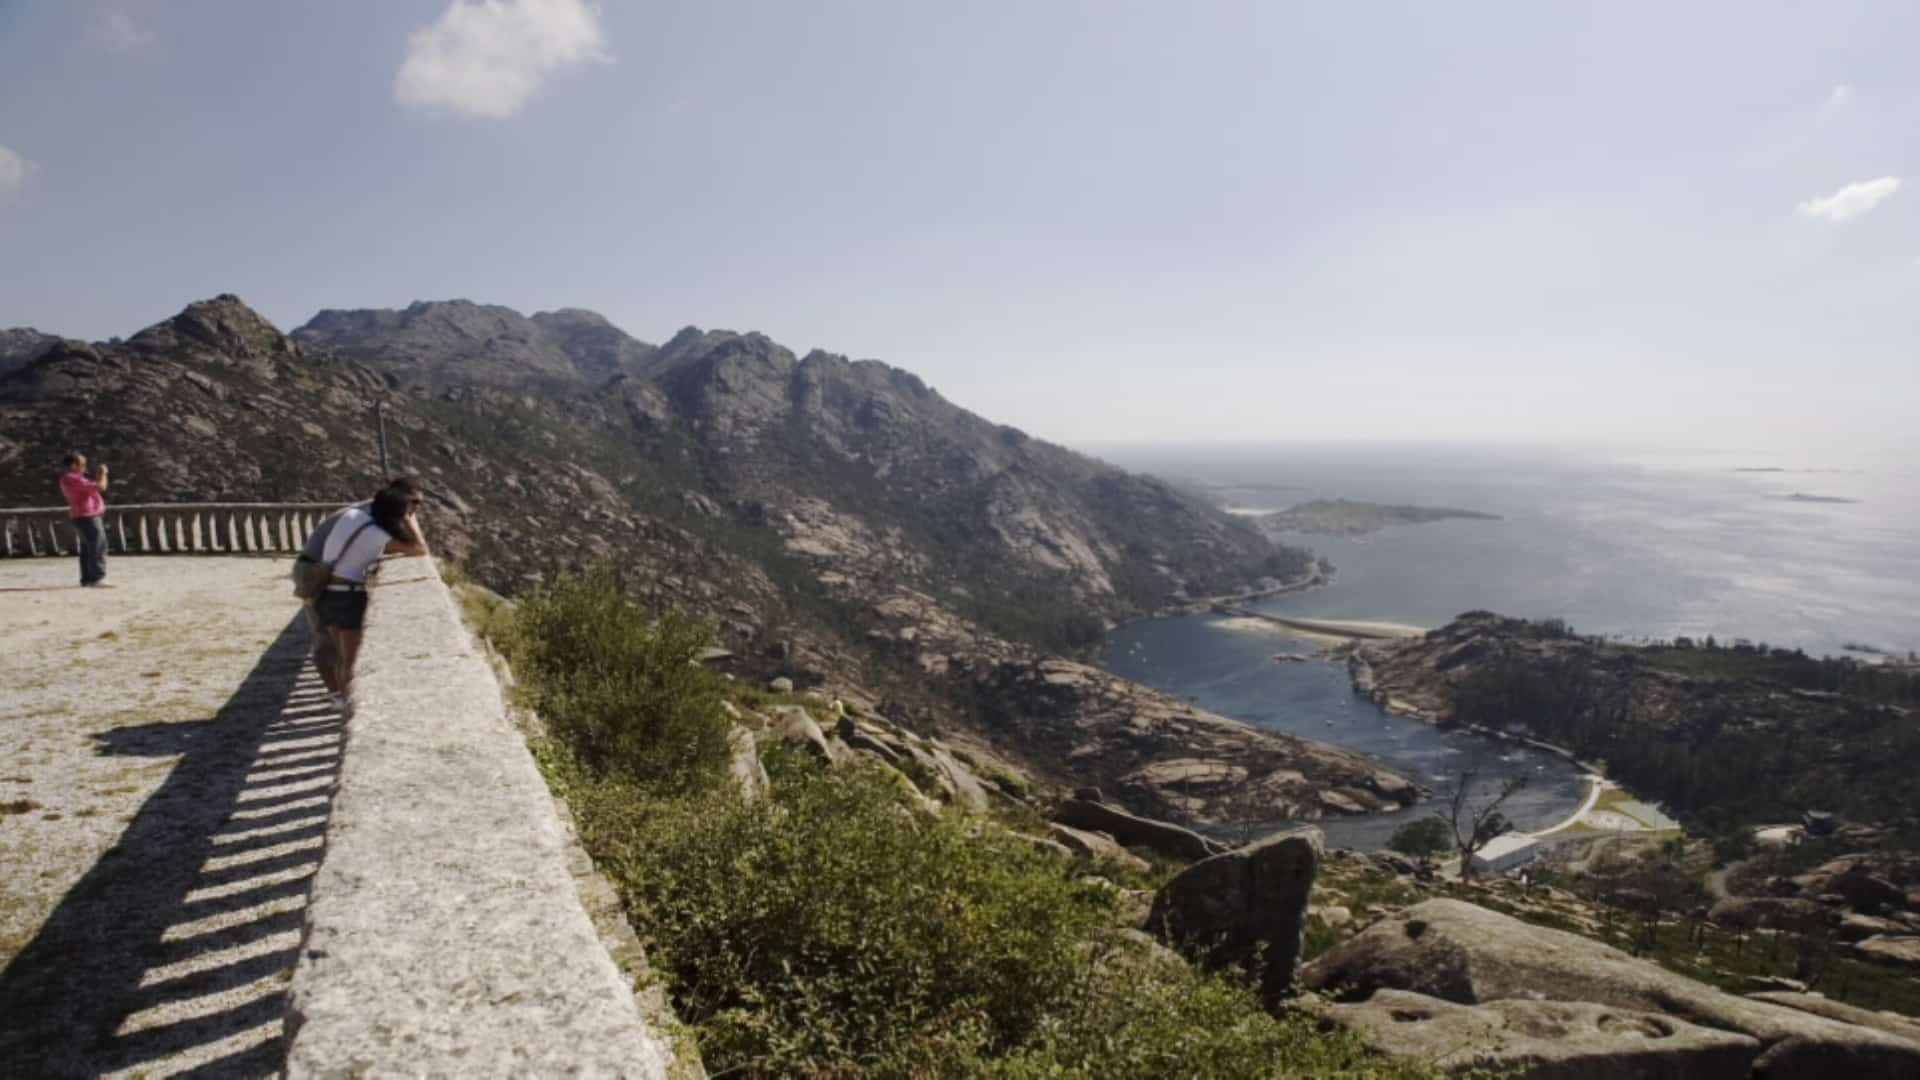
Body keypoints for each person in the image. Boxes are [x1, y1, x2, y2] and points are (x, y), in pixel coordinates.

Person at [296, 477, 422, 692]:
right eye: (414, 505)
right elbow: (420, 549)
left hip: (326, 594)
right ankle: (346, 707)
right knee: (351, 665)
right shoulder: (379, 535)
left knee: (339, 658)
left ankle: (337, 697)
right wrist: (410, 521)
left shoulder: (351, 516)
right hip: (349, 597)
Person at [58, 451, 111, 587]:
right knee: (98, 546)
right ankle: (97, 578)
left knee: (87, 548)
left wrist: (98, 476)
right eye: (82, 464)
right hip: (87, 515)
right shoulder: (72, 478)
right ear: (74, 465)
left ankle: (87, 578)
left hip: (81, 516)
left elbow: (93, 488)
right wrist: (104, 473)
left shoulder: (73, 478)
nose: (85, 467)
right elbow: (100, 487)